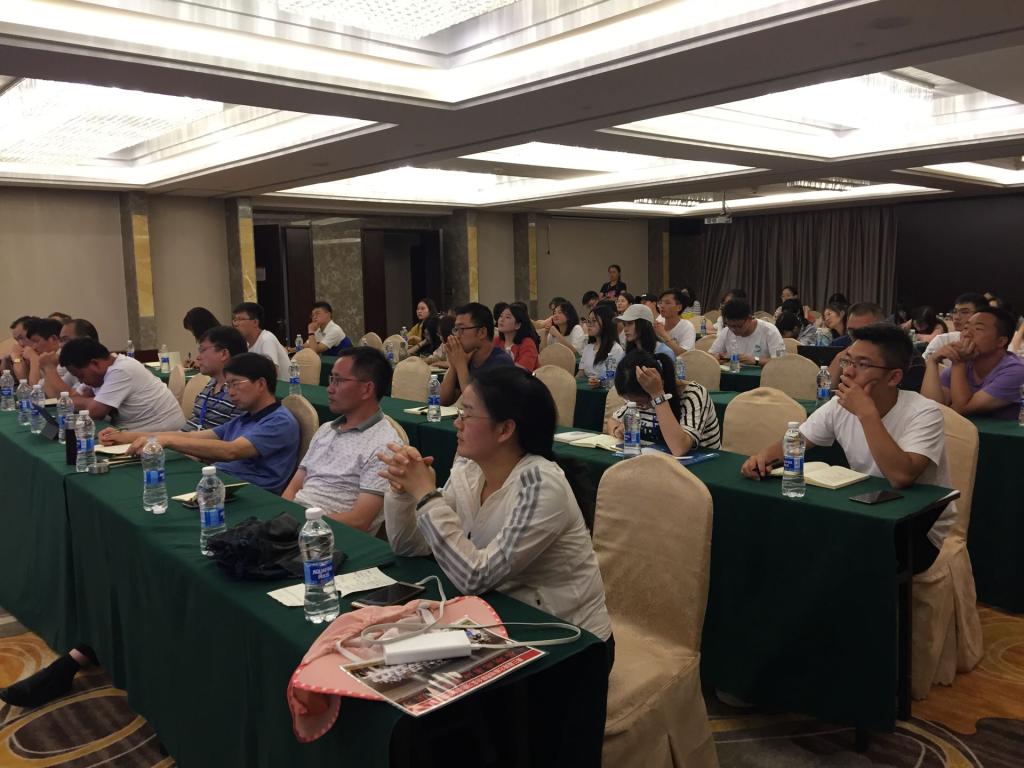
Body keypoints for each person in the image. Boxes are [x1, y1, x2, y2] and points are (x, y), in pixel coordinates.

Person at [379, 366, 613, 646]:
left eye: (467, 414)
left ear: (505, 429)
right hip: (496, 621)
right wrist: (405, 495)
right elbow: (408, 547)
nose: (457, 423)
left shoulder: (541, 485)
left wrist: (427, 496)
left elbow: (475, 576)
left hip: (567, 637)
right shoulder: (469, 469)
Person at [741, 323, 956, 573]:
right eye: (848, 361)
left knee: (827, 556)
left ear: (894, 377)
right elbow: (798, 440)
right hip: (866, 511)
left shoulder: (924, 412)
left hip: (918, 527)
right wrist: (763, 457)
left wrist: (866, 413)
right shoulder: (839, 405)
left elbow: (901, 476)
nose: (849, 372)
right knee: (790, 537)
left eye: (862, 365)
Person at [125, 353, 299, 494]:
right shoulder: (246, 417)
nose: (230, 393)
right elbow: (193, 437)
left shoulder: (279, 421)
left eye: (235, 384)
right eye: (228, 385)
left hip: (251, 493)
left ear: (261, 384)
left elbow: (231, 451)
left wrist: (167, 441)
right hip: (222, 484)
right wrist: (128, 436)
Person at [282, 347, 400, 533]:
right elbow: (293, 487)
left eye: (339, 381)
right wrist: (282, 520)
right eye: (331, 379)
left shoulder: (385, 446)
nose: (329, 388)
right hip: (294, 524)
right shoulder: (325, 429)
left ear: (367, 389)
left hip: (330, 536)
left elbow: (360, 520)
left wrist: (301, 524)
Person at [100, 326, 246, 446]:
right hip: (186, 447)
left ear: (223, 354)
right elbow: (186, 433)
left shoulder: (239, 394)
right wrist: (128, 436)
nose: (198, 357)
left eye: (203, 350)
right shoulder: (210, 385)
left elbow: (228, 445)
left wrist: (157, 440)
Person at [605, 349, 721, 456]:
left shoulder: (693, 394)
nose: (637, 406)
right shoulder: (637, 401)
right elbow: (612, 421)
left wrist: (657, 395)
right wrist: (617, 431)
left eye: (640, 402)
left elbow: (679, 448)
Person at [58, 338, 185, 431]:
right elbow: (75, 399)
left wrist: (92, 402)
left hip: (160, 435)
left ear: (95, 363)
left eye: (81, 376)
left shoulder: (122, 370)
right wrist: (91, 401)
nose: (80, 381)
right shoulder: (104, 369)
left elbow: (94, 411)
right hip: (134, 432)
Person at [921, 307, 1024, 420]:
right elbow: (930, 409)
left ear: (1001, 341)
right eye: (965, 328)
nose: (966, 334)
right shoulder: (967, 364)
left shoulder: (1017, 371)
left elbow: (962, 408)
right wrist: (932, 361)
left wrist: (959, 362)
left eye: (978, 329)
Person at [439, 302, 514, 406]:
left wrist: (460, 365)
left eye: (462, 329)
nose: (457, 336)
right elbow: (441, 401)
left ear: (481, 333)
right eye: (456, 330)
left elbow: (476, 406)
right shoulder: (467, 358)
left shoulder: (501, 362)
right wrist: (453, 366)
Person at [709, 298, 785, 365]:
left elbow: (780, 361)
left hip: (762, 375)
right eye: (730, 326)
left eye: (739, 326)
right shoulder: (727, 331)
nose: (734, 330)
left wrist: (756, 360)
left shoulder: (769, 331)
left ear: (750, 318)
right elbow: (711, 355)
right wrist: (717, 358)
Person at [827, 302, 887, 382]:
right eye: (851, 331)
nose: (856, 337)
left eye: (863, 332)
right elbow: (826, 386)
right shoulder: (838, 345)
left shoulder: (890, 352)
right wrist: (840, 357)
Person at [232, 302, 290, 380]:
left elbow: (271, 374)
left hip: (282, 386)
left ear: (255, 322)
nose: (236, 324)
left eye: (240, 319)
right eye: (235, 320)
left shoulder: (267, 339)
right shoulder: (246, 344)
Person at [922, 293, 989, 362]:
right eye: (955, 312)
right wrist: (934, 358)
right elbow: (923, 365)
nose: (957, 317)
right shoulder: (942, 340)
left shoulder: (990, 346)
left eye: (964, 312)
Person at [578, 303, 624, 385]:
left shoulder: (615, 349)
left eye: (594, 321)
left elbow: (616, 378)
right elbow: (580, 374)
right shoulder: (588, 347)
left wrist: (600, 381)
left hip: (605, 390)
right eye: (589, 321)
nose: (589, 325)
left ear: (606, 323)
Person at [21, 317, 64, 395]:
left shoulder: (63, 358)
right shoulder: (47, 357)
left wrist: (33, 358)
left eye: (36, 341)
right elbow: (23, 381)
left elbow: (36, 390)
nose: (34, 347)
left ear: (53, 338)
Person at [494, 304, 540, 372]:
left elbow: (523, 370)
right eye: (501, 316)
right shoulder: (496, 341)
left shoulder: (527, 343)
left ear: (517, 325)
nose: (501, 320)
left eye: (507, 317)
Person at [654, 289, 696, 355]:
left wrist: (663, 334)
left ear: (679, 307)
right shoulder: (659, 319)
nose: (662, 306)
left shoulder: (687, 327)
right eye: (660, 303)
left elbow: (684, 355)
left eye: (667, 303)